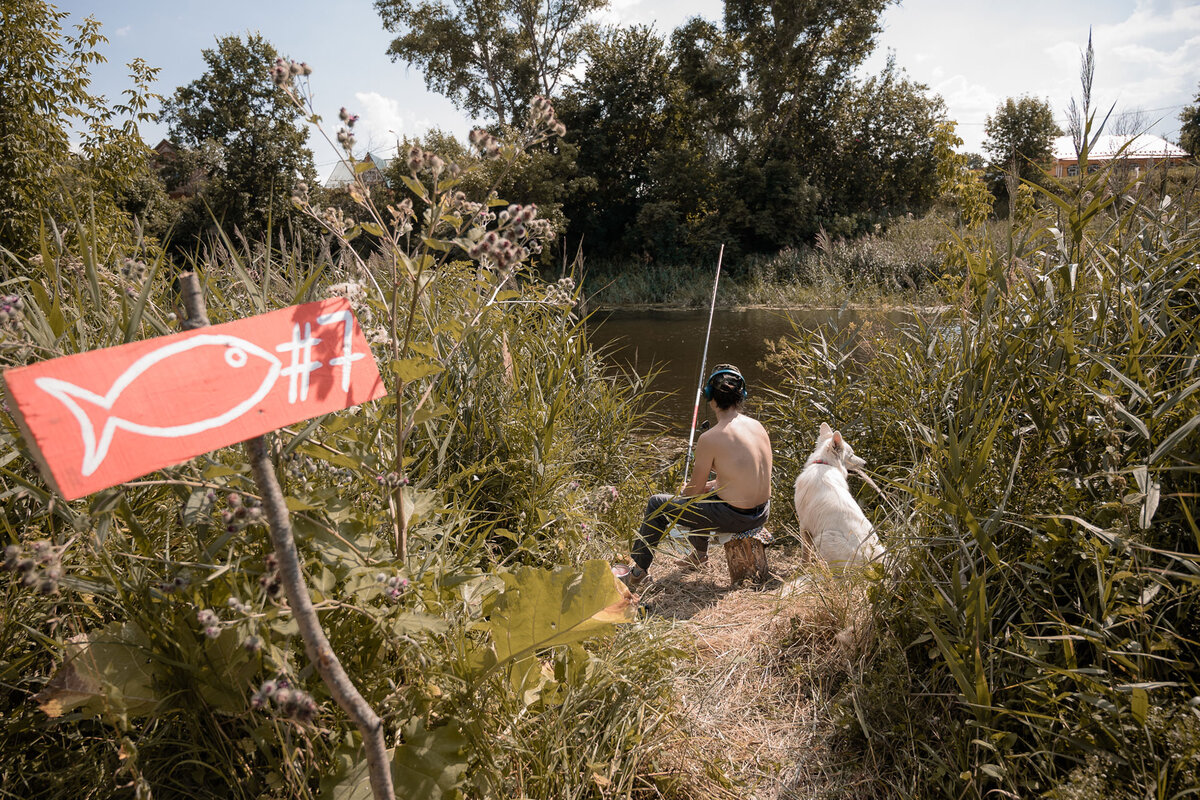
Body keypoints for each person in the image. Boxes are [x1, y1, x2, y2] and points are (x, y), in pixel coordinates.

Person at [621, 364, 772, 588]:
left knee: (657, 504)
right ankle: (700, 555)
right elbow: (739, 478)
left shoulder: (711, 438)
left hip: (738, 518)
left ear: (710, 396)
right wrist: (709, 486)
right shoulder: (757, 426)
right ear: (742, 395)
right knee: (703, 496)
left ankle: (638, 572)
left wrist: (686, 490)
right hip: (761, 512)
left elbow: (694, 490)